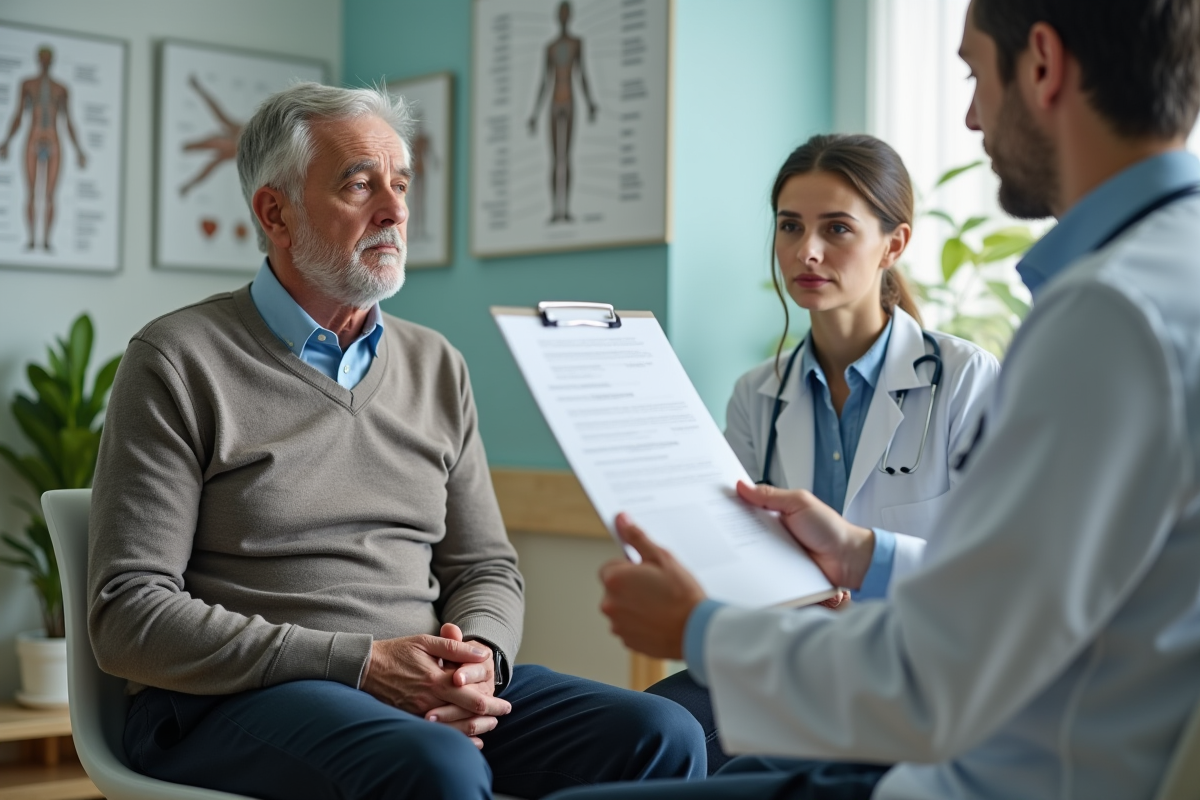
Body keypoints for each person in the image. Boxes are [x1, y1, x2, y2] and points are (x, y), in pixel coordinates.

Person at [546, 0, 1200, 797]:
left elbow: (951, 667)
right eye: (790, 227)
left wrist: (698, 629)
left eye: (971, 74)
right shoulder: (1166, 278)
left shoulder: (1105, 315)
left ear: (1041, 64)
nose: (968, 117)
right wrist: (860, 553)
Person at [88, 82, 705, 800]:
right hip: (228, 701)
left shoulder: (436, 364)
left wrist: (479, 657)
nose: (396, 209)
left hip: (417, 681)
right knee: (435, 766)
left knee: (661, 735)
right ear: (274, 212)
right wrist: (361, 664)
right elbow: (128, 613)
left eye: (401, 182)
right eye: (359, 183)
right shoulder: (178, 358)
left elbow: (485, 568)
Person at [644, 133, 999, 774]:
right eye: (790, 226)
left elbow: (995, 571)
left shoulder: (966, 378)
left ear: (894, 244)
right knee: (641, 736)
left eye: (837, 228)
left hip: (912, 668)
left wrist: (854, 566)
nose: (806, 251)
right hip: (790, 653)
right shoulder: (758, 393)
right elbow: (730, 547)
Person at [0, 45, 87, 251]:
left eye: (48, 58)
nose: (45, 62)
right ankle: (31, 239)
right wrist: (6, 142)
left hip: (54, 140)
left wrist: (79, 150)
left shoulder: (61, 89)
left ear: (52, 61)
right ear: (38, 60)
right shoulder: (28, 84)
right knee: (30, 192)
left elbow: (69, 121)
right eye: (42, 58)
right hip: (33, 138)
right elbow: (18, 115)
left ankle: (46, 240)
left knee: (49, 195)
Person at [528, 0, 598, 223]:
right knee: (554, 159)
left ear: (571, 16)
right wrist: (535, 114)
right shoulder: (549, 47)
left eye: (567, 13)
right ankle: (555, 210)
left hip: (569, 101)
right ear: (558, 16)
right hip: (554, 102)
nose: (564, 16)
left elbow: (582, 75)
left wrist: (590, 102)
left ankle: (565, 208)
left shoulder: (578, 43)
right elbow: (544, 81)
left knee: (566, 158)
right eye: (562, 12)